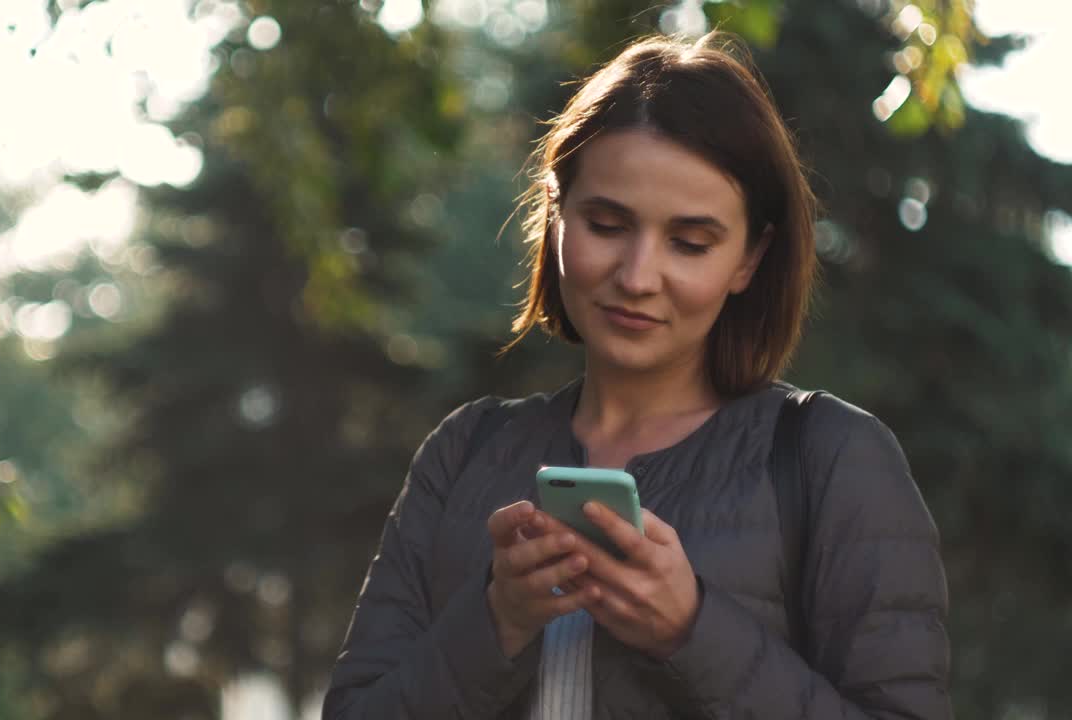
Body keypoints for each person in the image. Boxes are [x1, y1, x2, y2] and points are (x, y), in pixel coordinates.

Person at [323, 32, 951, 719]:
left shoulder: (832, 458)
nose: (637, 276)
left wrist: (694, 630)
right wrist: (496, 620)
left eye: (690, 242)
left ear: (750, 258)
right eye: (606, 223)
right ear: (557, 215)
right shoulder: (464, 451)